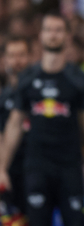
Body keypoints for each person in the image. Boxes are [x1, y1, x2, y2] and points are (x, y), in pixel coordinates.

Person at [0, 13, 84, 226]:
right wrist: (2, 168)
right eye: (48, 30)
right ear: (40, 35)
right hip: (36, 167)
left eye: (58, 30)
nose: (53, 35)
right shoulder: (27, 79)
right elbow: (14, 125)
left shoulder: (79, 79)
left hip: (69, 166)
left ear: (67, 36)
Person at [0, 36, 31, 216]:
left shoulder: (37, 91)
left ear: (30, 57)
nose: (16, 61)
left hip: (36, 168)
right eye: (11, 56)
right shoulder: (3, 97)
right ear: (5, 60)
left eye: (21, 55)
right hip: (11, 170)